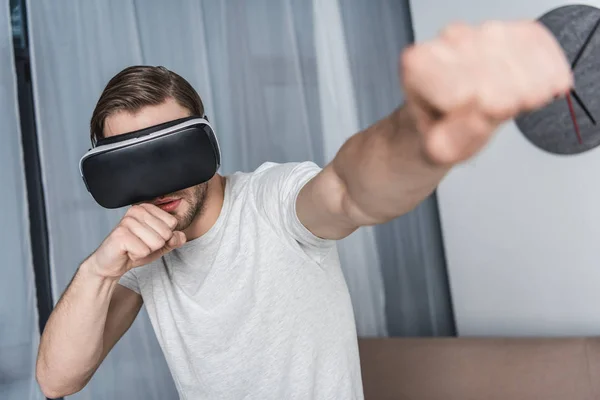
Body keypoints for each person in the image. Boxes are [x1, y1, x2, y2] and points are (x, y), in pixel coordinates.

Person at [35, 20, 572, 399]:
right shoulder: (140, 258)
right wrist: (102, 267)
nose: (159, 182)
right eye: (135, 160)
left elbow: (349, 189)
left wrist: (423, 133)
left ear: (206, 140)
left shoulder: (272, 202)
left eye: (169, 148)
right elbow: (57, 380)